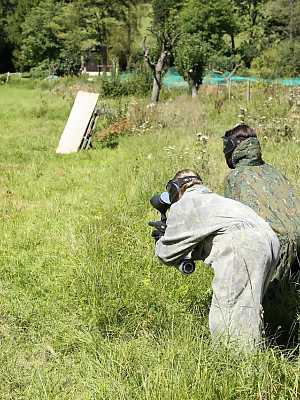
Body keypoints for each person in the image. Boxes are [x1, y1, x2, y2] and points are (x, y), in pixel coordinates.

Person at [150, 169, 280, 348]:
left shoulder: (187, 202)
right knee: (247, 309)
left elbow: (166, 254)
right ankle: (252, 359)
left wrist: (160, 239)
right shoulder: (218, 201)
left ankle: (236, 367)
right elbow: (213, 238)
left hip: (243, 245)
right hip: (270, 242)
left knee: (228, 318)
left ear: (175, 189)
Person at [223, 124, 300, 346]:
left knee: (252, 301)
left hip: (278, 245)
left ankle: (270, 340)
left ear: (233, 149)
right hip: (294, 241)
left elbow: (235, 227)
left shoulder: (235, 178)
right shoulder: (272, 170)